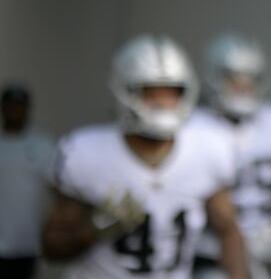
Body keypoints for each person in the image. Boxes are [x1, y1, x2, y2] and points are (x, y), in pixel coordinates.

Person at [41, 35, 249, 279]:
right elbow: (50, 248)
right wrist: (93, 230)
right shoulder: (84, 153)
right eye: (151, 92)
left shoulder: (207, 149)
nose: (162, 103)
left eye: (171, 93)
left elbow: (229, 231)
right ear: (125, 90)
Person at [192, 33, 271, 279]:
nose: (242, 86)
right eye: (233, 78)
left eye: (250, 79)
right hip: (211, 251)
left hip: (263, 246)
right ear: (215, 77)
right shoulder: (195, 127)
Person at [0, 84, 54, 279]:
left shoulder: (42, 145)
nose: (15, 110)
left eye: (19, 105)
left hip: (29, 242)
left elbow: (57, 188)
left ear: (28, 109)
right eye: (10, 105)